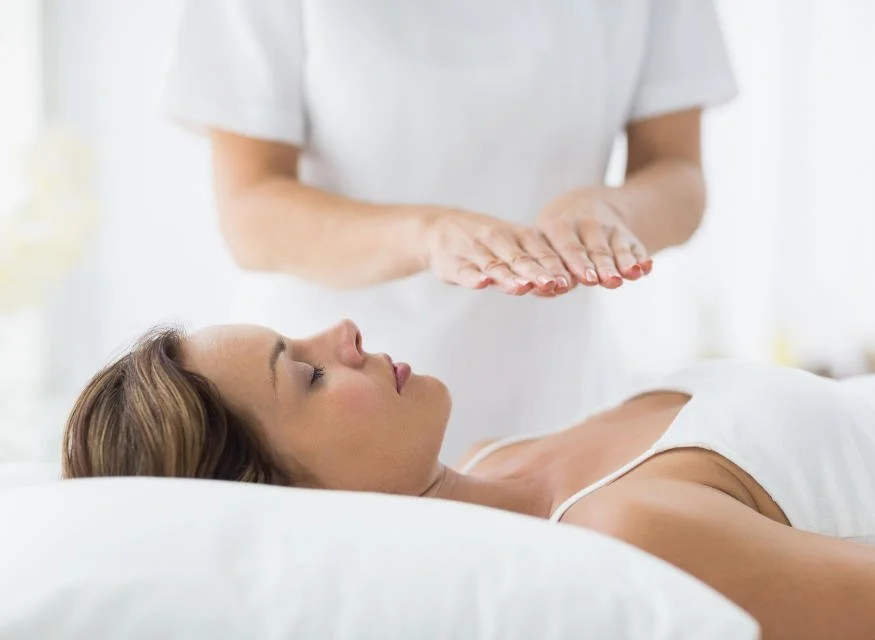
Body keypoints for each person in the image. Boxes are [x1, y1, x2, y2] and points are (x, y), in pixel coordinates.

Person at [63, 320, 875, 639]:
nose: (342, 333)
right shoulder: (629, 541)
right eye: (307, 374)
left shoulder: (498, 458)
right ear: (294, 507)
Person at [161, 1, 738, 459]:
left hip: (559, 395)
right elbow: (251, 209)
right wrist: (427, 236)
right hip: (329, 440)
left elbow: (677, 172)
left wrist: (611, 214)